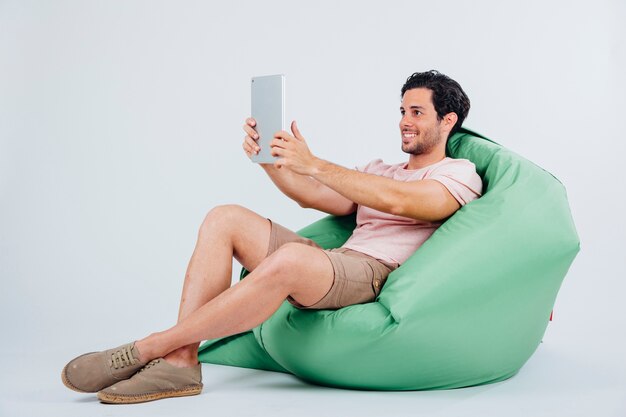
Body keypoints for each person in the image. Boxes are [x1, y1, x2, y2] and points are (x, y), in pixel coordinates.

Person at [61, 70, 483, 404]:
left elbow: (407, 203)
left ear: (448, 121)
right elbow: (316, 197)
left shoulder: (457, 173)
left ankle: (148, 347)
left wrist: (314, 162)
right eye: (402, 111)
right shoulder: (380, 169)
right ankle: (181, 361)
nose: (404, 122)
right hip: (335, 262)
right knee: (223, 217)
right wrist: (271, 160)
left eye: (416, 113)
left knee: (292, 261)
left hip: (374, 275)